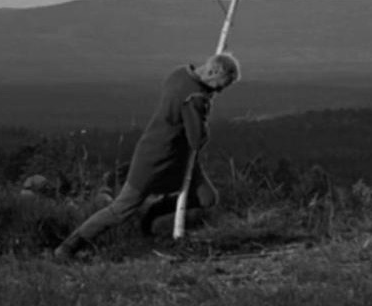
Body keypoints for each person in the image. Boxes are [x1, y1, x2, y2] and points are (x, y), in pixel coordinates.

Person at [55, 52, 241, 259]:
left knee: (206, 197)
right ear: (213, 71)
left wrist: (207, 93)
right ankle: (69, 246)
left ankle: (152, 214)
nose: (221, 90)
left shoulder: (179, 74)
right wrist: (205, 109)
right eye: (222, 84)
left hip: (179, 159)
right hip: (155, 159)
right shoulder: (195, 98)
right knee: (120, 210)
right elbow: (197, 140)